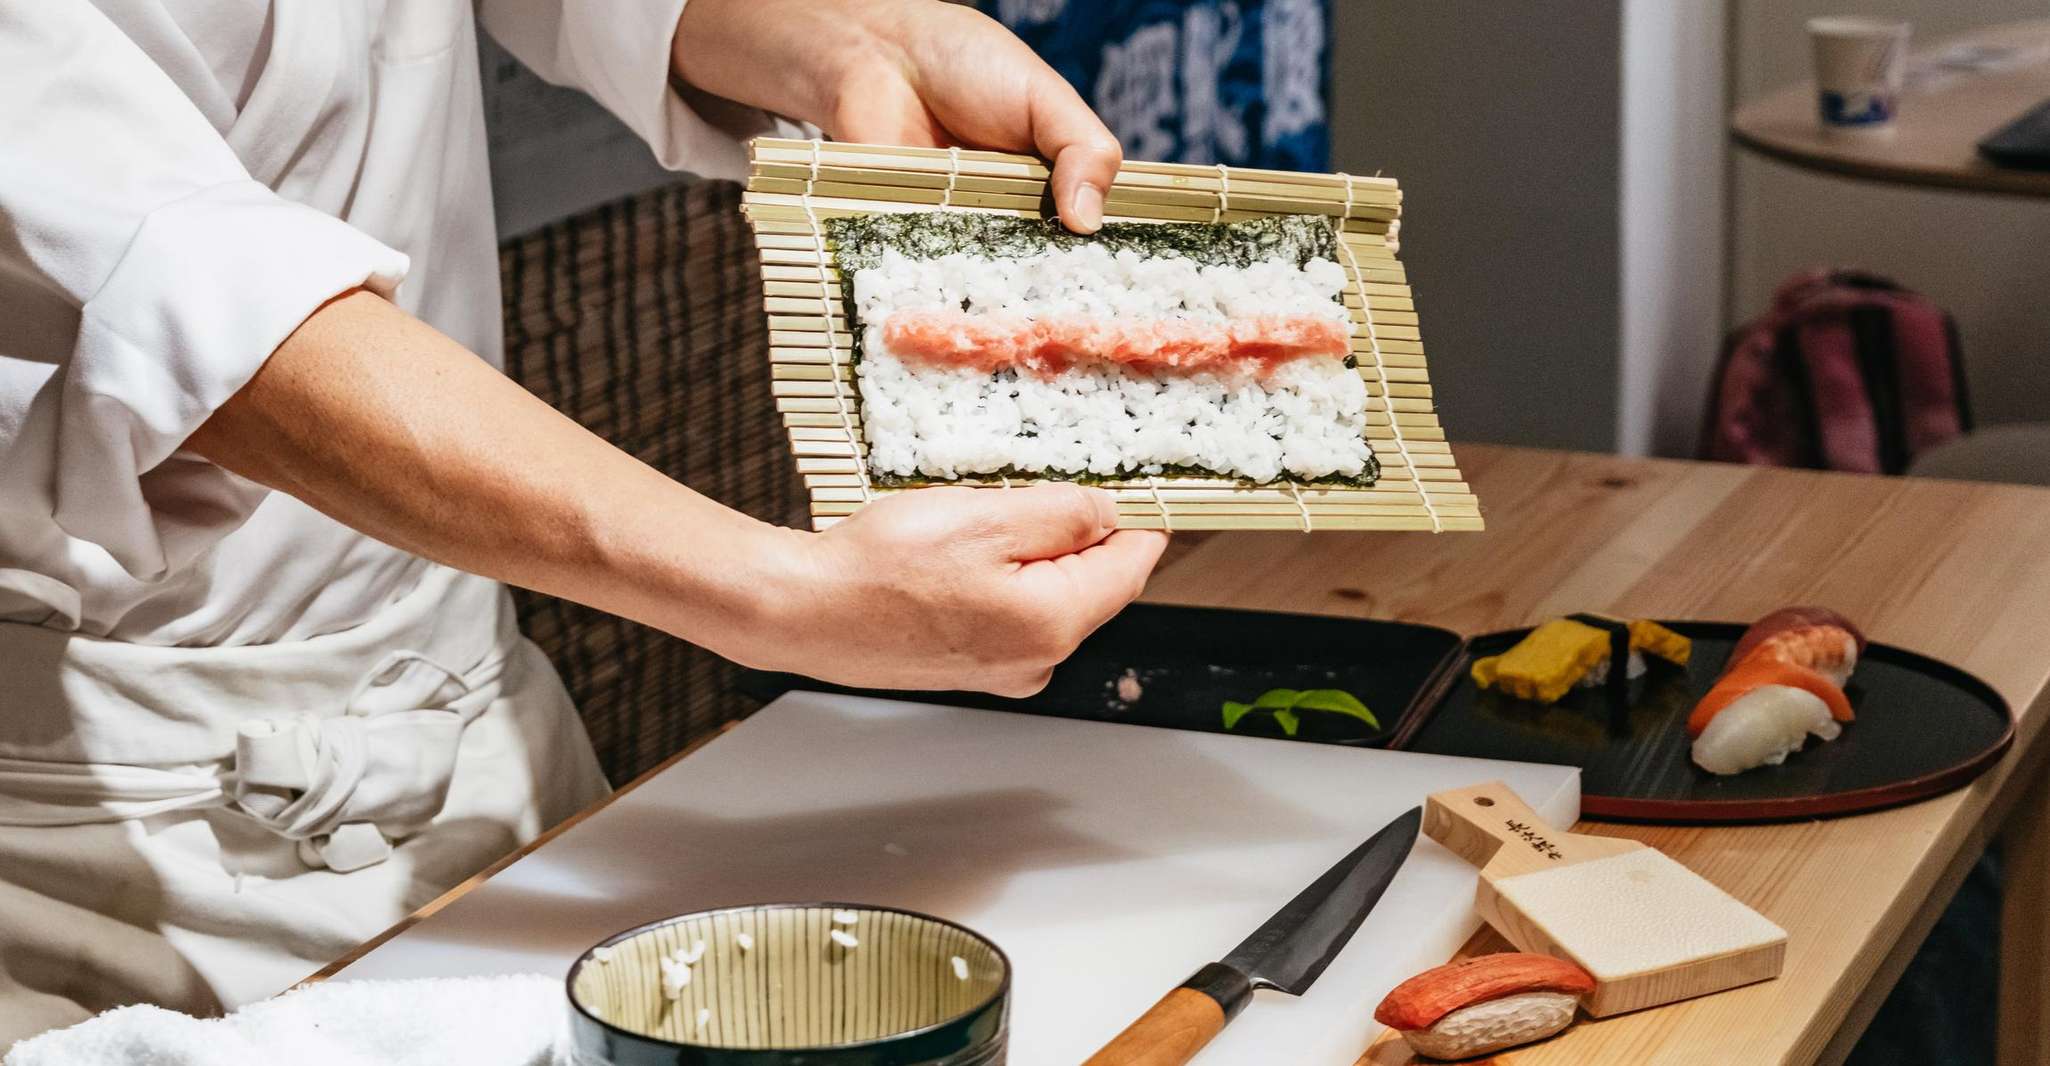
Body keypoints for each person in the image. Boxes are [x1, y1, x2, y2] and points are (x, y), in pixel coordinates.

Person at [0, 0, 1168, 1044]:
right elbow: (203, 312)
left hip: (485, 748)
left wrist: (851, 42)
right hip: (108, 844)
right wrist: (775, 595)